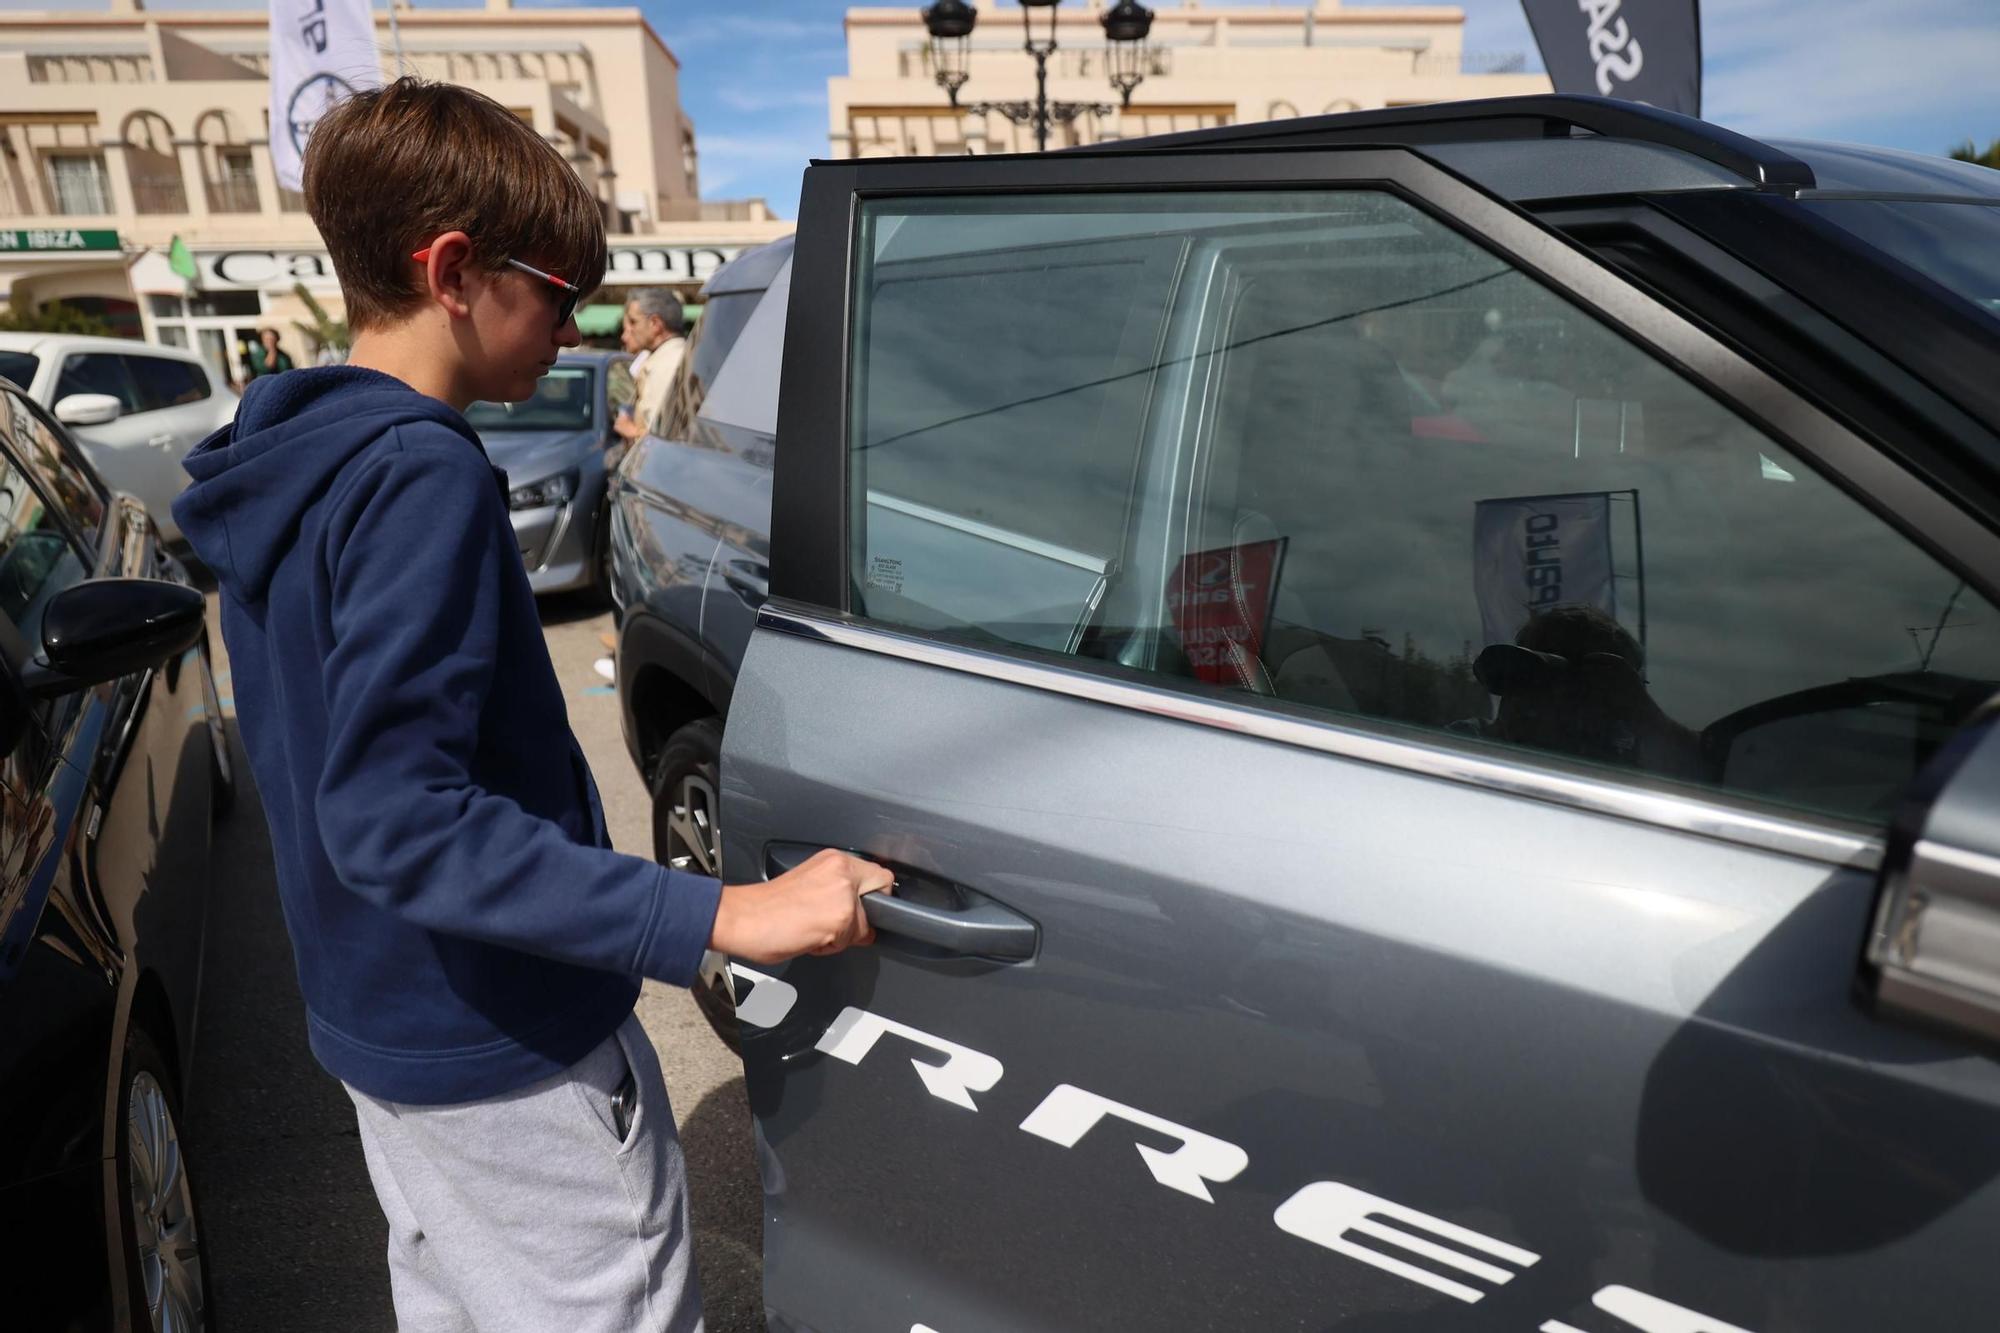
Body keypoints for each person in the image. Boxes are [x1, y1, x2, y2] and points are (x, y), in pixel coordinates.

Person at [170, 77, 891, 1333]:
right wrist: (726, 909)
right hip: (505, 1045)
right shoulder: (419, 474)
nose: (579, 331)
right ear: (453, 270)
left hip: (383, 1030)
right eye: (560, 296)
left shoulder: (286, 458)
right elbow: (401, 820)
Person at [614, 287, 686, 443]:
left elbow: (663, 438)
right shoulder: (667, 357)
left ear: (655, 323)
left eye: (633, 322)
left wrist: (631, 431)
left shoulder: (668, 364)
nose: (627, 331)